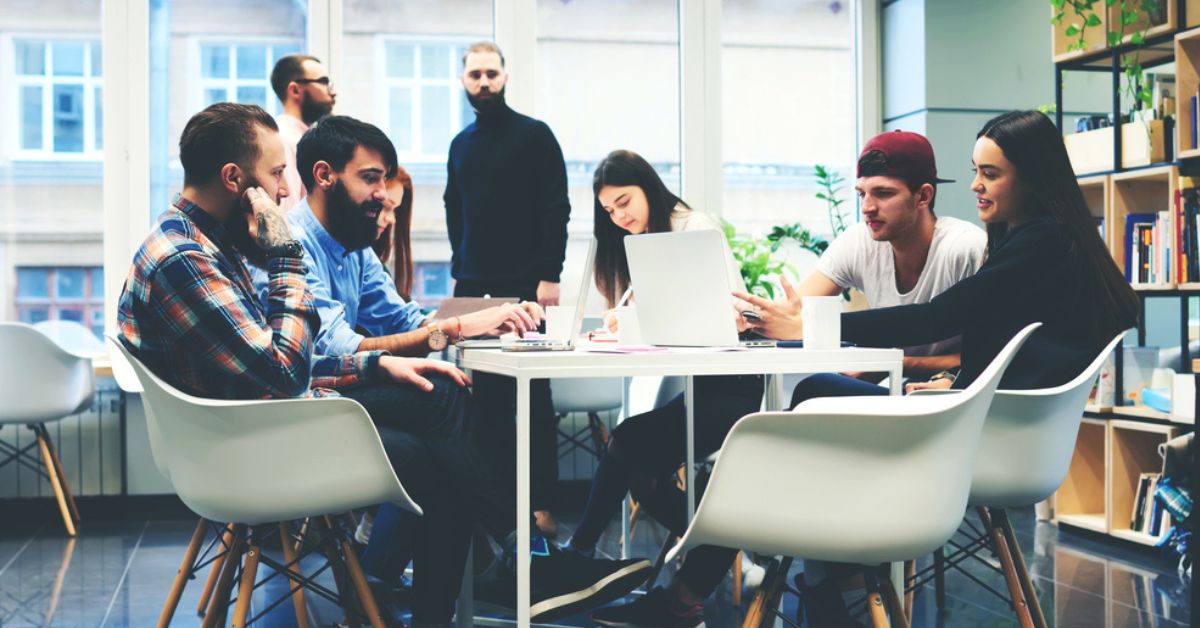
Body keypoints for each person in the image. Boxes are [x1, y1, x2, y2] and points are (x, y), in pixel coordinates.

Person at [119, 103, 651, 625]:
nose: (285, 190)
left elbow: (287, 364)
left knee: (438, 451)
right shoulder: (185, 257)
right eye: (277, 173)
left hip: (262, 424)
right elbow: (283, 371)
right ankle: (528, 565)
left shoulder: (211, 244)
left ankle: (516, 570)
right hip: (244, 450)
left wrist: (375, 367)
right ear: (235, 179)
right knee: (441, 408)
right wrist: (285, 256)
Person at [738, 110, 1139, 624]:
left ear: (1034, 178)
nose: (974, 185)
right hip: (995, 425)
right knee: (823, 400)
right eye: (975, 170)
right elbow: (1020, 347)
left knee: (817, 391)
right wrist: (959, 380)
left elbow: (939, 315)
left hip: (984, 434)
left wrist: (817, 330)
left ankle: (811, 559)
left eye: (990, 174)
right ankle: (831, 570)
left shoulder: (1038, 243)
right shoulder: (1046, 241)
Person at [562, 150, 763, 628]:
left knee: (629, 442)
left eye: (625, 201)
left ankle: (579, 556)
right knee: (641, 474)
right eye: (609, 210)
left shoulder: (693, 227)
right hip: (703, 387)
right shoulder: (648, 241)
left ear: (648, 187)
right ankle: (719, 546)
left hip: (732, 386)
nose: (620, 216)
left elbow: (730, 310)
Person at [444, 41, 571, 530]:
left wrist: (549, 275)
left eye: (491, 74)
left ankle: (540, 505)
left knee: (535, 399)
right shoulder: (460, 144)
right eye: (474, 74)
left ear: (505, 77)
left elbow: (555, 208)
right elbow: (456, 210)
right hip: (475, 285)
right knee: (488, 404)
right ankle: (498, 505)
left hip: (527, 286)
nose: (483, 82)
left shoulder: (535, 136)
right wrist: (460, 269)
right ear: (463, 81)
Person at [787, 130, 987, 400]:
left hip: (956, 397)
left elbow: (997, 352)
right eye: (862, 194)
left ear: (923, 196)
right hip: (901, 392)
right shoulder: (860, 241)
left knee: (816, 391)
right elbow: (795, 309)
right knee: (809, 397)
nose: (867, 207)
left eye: (883, 193)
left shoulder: (965, 247)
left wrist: (897, 363)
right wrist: (749, 315)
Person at [270, 54, 336, 210]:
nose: (332, 92)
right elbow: (288, 211)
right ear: (295, 90)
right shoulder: (285, 139)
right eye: (324, 82)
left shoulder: (302, 137)